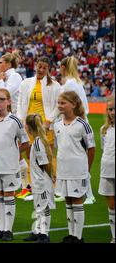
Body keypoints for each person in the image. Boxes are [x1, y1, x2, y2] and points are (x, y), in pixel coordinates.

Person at [0, 88, 30, 241]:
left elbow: (25, 142)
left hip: (10, 166)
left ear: (8, 101)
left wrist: (13, 154)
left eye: (1, 99)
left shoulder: (14, 120)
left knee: (8, 195)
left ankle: (8, 230)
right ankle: (0, 229)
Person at [16, 56, 61, 201]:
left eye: (44, 68)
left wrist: (49, 121)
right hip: (29, 126)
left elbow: (58, 106)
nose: (41, 70)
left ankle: (53, 188)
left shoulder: (55, 86)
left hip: (45, 127)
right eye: (39, 66)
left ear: (49, 70)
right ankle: (34, 188)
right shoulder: (26, 83)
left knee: (47, 158)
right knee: (30, 158)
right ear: (36, 66)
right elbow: (20, 104)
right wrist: (21, 121)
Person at [54, 91, 95, 243]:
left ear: (74, 104)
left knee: (77, 200)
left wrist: (87, 169)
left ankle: (78, 237)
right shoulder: (57, 124)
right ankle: (71, 234)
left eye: (63, 103)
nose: (60, 106)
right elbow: (59, 148)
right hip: (63, 170)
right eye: (59, 103)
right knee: (68, 200)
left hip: (78, 170)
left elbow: (91, 149)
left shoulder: (83, 124)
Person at [60, 56, 94, 205]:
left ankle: (89, 194)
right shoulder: (76, 82)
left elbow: (63, 103)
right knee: (79, 158)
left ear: (63, 68)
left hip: (76, 124)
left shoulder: (69, 84)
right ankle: (80, 192)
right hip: (82, 122)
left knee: (79, 160)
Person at [23, 114, 56, 243]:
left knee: (43, 208)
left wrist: (51, 175)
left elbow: (44, 163)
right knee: (38, 207)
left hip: (42, 182)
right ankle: (37, 231)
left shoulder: (37, 143)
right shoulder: (37, 141)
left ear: (29, 127)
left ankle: (44, 234)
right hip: (37, 181)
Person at [98, 95, 115, 243]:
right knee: (111, 205)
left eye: (115, 109)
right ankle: (114, 236)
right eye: (110, 109)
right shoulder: (104, 129)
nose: (113, 112)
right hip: (107, 170)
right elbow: (104, 150)